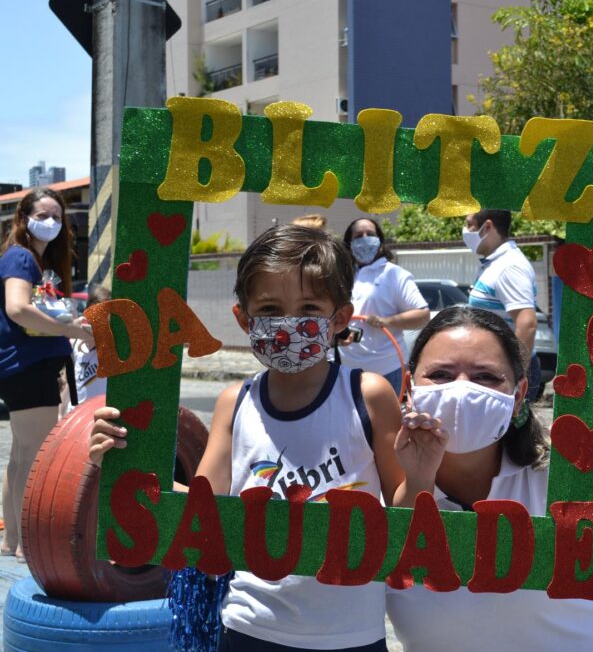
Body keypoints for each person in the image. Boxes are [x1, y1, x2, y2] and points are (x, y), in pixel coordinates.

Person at [90, 225, 419, 651]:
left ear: (339, 318)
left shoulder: (368, 394)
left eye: (308, 307)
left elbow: (406, 511)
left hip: (351, 636)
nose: (288, 323)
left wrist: (422, 470)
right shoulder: (235, 402)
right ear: (243, 319)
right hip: (248, 627)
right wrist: (120, 463)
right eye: (269, 308)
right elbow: (200, 509)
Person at [388, 270, 593, 651]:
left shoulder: (565, 465)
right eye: (441, 374)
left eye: (485, 377)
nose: (462, 389)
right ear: (409, 386)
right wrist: (416, 484)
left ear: (518, 395)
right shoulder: (379, 473)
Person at [0, 188, 92, 560]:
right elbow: (18, 308)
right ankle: (27, 545)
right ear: (23, 218)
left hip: (22, 368)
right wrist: (71, 330)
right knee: (35, 456)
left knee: (22, 455)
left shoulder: (28, 260)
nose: (51, 222)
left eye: (57, 216)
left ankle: (12, 541)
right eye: (43, 214)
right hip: (28, 367)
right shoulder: (21, 258)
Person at [338, 218, 429, 395]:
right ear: (349, 243)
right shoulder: (344, 275)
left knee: (386, 423)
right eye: (358, 236)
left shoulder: (394, 274)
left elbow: (422, 315)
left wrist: (387, 321)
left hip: (386, 368)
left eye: (370, 234)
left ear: (379, 241)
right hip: (346, 368)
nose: (365, 239)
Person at [462, 210, 542, 401]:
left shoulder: (509, 267)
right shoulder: (494, 263)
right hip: (493, 370)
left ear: (487, 227)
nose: (465, 231)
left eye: (469, 225)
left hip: (504, 375)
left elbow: (527, 324)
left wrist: (513, 377)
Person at [60, 284, 112, 416]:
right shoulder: (75, 343)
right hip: (75, 413)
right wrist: (61, 413)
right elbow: (69, 382)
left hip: (99, 414)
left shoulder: (110, 344)